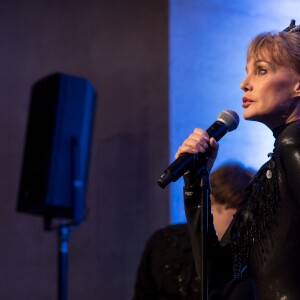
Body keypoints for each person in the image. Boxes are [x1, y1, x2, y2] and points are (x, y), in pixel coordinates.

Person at [176, 19, 300, 299]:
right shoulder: (272, 168)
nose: (245, 84)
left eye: (262, 71)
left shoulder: (294, 142)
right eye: (247, 73)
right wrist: (197, 182)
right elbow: (217, 273)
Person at [132, 163, 255, 300]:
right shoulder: (163, 242)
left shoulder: (248, 262)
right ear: (210, 201)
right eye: (235, 216)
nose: (242, 224)